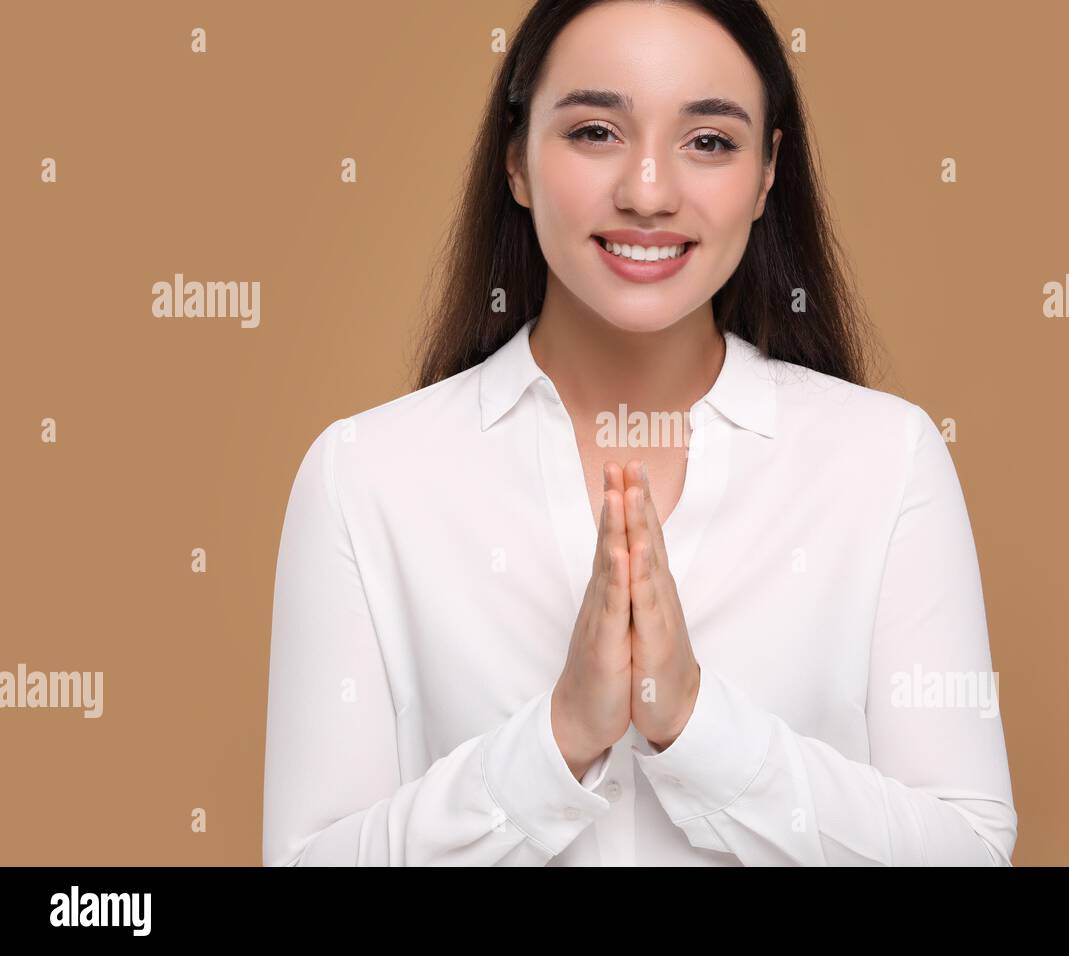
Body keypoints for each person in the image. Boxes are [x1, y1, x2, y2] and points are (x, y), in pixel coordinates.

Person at [262, 0, 1017, 866]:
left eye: (709, 141)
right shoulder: (364, 478)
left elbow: (970, 852)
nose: (648, 192)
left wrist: (697, 725)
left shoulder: (887, 461)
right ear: (515, 159)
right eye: (594, 131)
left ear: (769, 173)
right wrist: (557, 740)